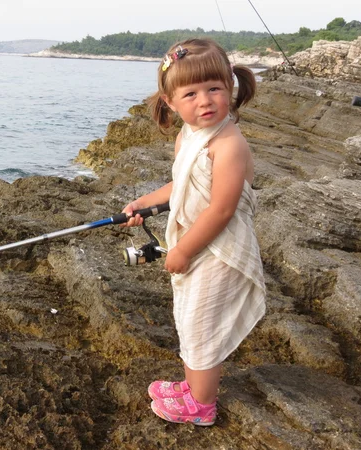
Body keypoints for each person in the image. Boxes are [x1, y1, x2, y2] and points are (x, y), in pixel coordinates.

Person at [121, 38, 266, 426]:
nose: (205, 101)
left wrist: (181, 250)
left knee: (204, 325)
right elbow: (178, 187)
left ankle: (202, 406)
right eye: (191, 93)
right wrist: (143, 203)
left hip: (221, 252)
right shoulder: (187, 137)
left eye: (214, 89)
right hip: (197, 243)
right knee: (189, 318)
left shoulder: (229, 144)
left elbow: (221, 209)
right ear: (170, 101)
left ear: (230, 89)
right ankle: (192, 386)